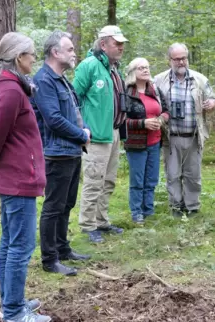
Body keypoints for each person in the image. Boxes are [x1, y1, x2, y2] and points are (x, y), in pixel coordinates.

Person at [0, 32, 50, 322]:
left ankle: (11, 303)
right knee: (20, 247)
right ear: (19, 57)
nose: (34, 58)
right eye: (31, 53)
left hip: (17, 179)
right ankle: (14, 313)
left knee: (10, 243)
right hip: (17, 182)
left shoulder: (13, 86)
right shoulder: (8, 90)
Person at [31, 31, 91, 277]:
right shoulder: (44, 80)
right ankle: (49, 259)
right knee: (54, 206)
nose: (74, 52)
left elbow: (73, 110)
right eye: (69, 49)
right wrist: (81, 134)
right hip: (57, 153)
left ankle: (63, 248)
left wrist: (83, 130)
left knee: (67, 203)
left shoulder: (62, 78)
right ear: (55, 52)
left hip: (72, 151)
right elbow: (53, 119)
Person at [73, 25, 128, 243]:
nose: (121, 47)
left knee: (109, 181)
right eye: (117, 43)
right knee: (94, 181)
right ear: (103, 44)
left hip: (113, 133)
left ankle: (101, 221)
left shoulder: (114, 69)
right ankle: (87, 225)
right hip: (95, 136)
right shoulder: (89, 66)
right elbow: (73, 98)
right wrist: (82, 129)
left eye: (122, 43)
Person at [154, 43, 215, 218]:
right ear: (170, 60)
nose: (181, 62)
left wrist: (211, 103)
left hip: (194, 135)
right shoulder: (159, 80)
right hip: (170, 136)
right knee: (172, 174)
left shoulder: (200, 79)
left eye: (184, 58)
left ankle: (192, 207)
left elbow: (212, 97)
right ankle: (176, 206)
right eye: (177, 59)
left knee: (193, 174)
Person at [124, 57, 169, 224]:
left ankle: (148, 210)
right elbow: (121, 121)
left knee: (151, 179)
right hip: (136, 144)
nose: (145, 70)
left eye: (147, 67)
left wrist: (161, 120)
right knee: (137, 180)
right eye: (140, 68)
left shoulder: (154, 90)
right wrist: (143, 123)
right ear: (132, 72)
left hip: (154, 142)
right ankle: (136, 212)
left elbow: (166, 111)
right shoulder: (127, 93)